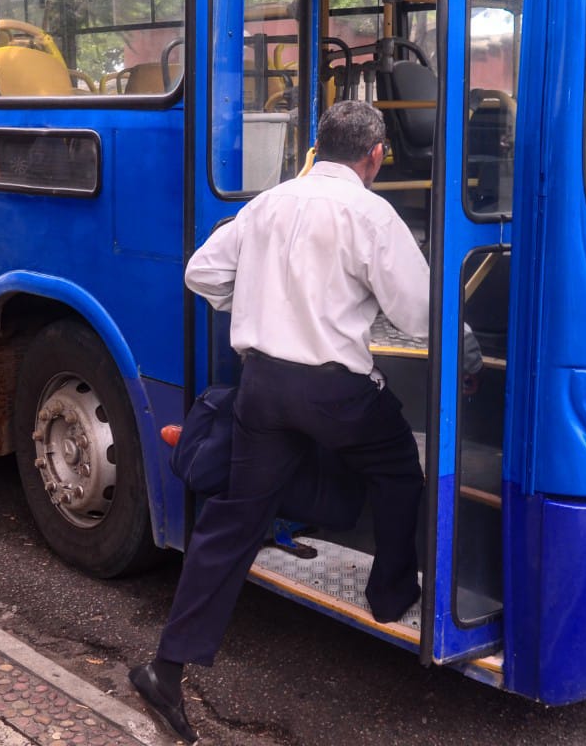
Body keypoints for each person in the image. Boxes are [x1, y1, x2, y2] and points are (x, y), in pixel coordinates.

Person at [131, 101, 461, 743]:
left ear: (318, 146)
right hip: (335, 394)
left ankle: (165, 670)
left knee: (230, 523)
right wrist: (464, 344)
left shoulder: (269, 203)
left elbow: (203, 273)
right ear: (374, 156)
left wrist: (251, 304)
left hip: (261, 386)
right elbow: (421, 314)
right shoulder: (370, 213)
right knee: (398, 470)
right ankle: (391, 594)